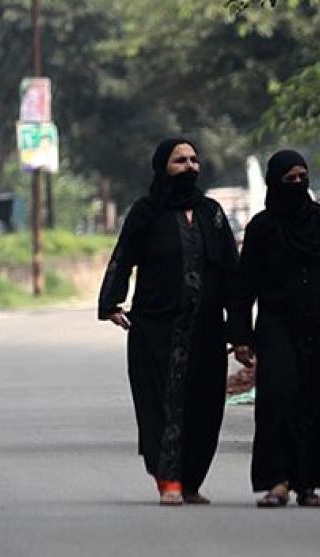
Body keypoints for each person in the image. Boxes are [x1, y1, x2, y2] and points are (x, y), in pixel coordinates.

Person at [97, 138, 239, 505]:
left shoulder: (212, 213)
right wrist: (111, 301)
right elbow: (123, 256)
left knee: (205, 406)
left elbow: (231, 273)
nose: (190, 167)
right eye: (180, 161)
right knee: (160, 402)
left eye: (194, 160)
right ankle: (168, 479)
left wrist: (239, 330)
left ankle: (190, 481)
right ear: (163, 168)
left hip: (207, 330)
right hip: (155, 327)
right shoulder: (146, 212)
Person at [229, 150, 320, 508]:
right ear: (275, 183)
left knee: (316, 401)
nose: (298, 184)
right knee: (277, 399)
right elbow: (244, 286)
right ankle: (277, 481)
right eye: (290, 179)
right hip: (276, 325)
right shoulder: (262, 228)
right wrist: (240, 335)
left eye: (303, 177)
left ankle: (308, 484)